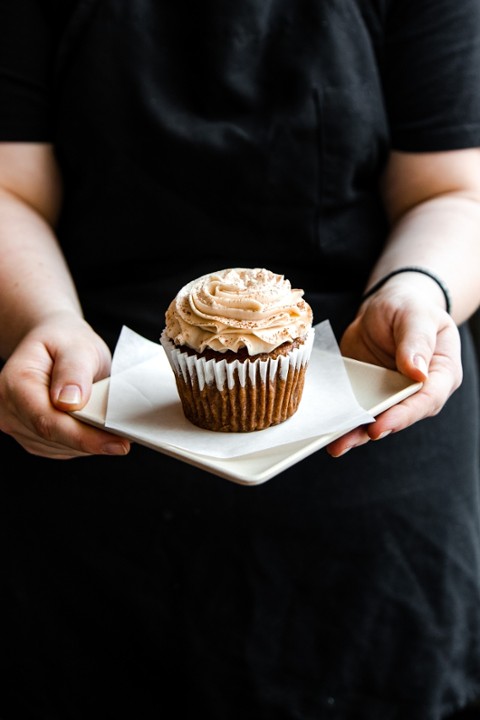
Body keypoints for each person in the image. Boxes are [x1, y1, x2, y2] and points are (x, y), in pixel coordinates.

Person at [0, 1, 479, 718]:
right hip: (94, 426)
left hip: (367, 430)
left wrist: (418, 289)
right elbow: (9, 188)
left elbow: (454, 190)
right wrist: (43, 318)